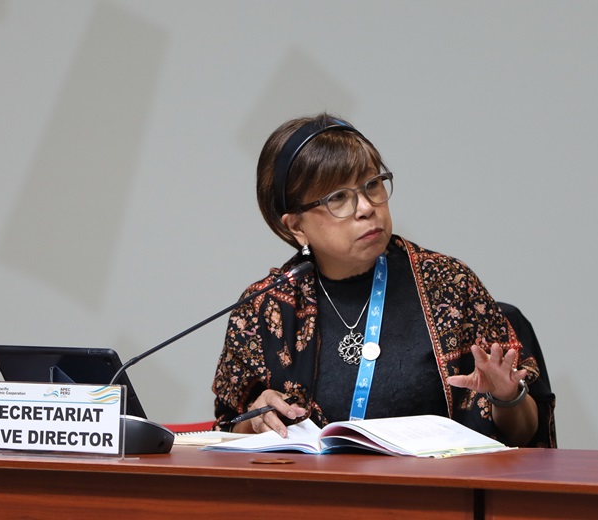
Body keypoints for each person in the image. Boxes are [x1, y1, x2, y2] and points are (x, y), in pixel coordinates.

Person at [212, 113, 556, 448]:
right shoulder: (263, 309)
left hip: (432, 484)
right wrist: (254, 420)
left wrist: (506, 395)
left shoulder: (449, 285)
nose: (366, 207)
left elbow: (525, 436)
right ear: (296, 226)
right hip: (312, 487)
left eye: (372, 185)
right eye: (338, 198)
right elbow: (228, 431)